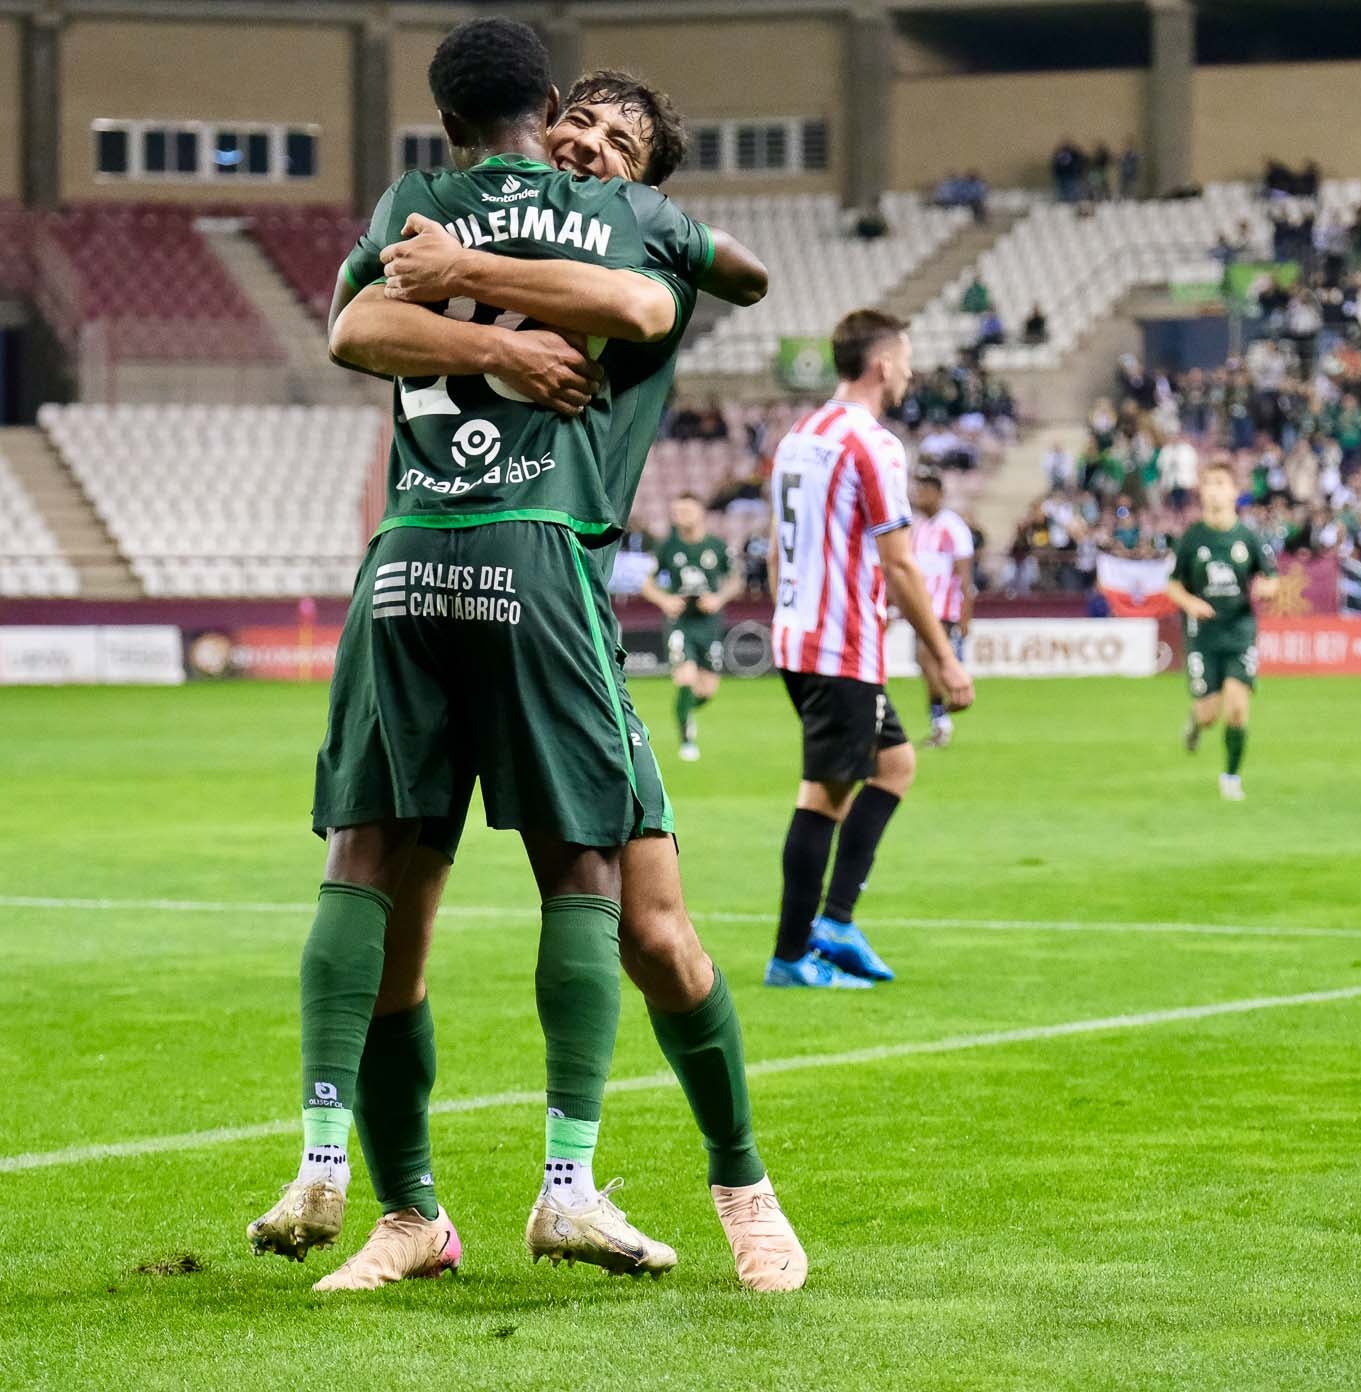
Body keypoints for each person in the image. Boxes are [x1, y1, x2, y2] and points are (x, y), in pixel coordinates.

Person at [248, 26, 806, 1294]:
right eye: (581, 126)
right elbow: (359, 324)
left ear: (646, 175)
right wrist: (488, 331)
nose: (591, 146)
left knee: (656, 934)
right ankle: (410, 1212)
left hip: (560, 597)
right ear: (542, 118)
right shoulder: (464, 212)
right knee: (411, 914)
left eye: (621, 141)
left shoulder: (609, 227)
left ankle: (739, 1179)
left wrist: (467, 271)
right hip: (475, 570)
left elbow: (657, 302)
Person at [766, 310, 974, 989]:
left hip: (801, 638)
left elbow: (775, 545)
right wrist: (943, 658)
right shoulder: (872, 444)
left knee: (894, 765)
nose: (911, 370)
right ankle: (793, 955)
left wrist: (789, 611)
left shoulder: (799, 435)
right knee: (823, 795)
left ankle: (834, 922)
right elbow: (901, 565)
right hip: (839, 650)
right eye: (906, 357)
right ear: (881, 364)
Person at [1167, 460, 1280, 800]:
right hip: (1203, 635)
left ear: (1233, 492)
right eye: (1209, 483)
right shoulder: (1192, 538)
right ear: (1201, 492)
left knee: (1236, 708)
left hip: (1239, 630)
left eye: (1221, 483)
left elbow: (1272, 578)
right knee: (1208, 714)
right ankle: (1195, 721)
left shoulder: (1249, 537)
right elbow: (1172, 586)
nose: (1214, 489)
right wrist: (1190, 604)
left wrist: (1266, 589)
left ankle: (1230, 777)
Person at [642, 494, 741, 761]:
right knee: (685, 677)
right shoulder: (667, 547)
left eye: (686, 510)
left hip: (709, 624)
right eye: (676, 511)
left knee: (707, 690)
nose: (680, 515)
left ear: (700, 513)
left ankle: (685, 712)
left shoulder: (717, 547)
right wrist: (665, 600)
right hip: (680, 622)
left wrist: (718, 598)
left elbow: (735, 581)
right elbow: (647, 584)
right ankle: (687, 741)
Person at [910, 472, 975, 749]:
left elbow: (965, 574)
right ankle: (941, 716)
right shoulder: (920, 528)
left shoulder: (953, 526)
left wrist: (965, 613)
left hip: (943, 607)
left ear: (938, 494)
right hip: (921, 605)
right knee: (923, 661)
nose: (919, 496)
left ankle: (944, 715)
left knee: (927, 658)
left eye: (924, 491)